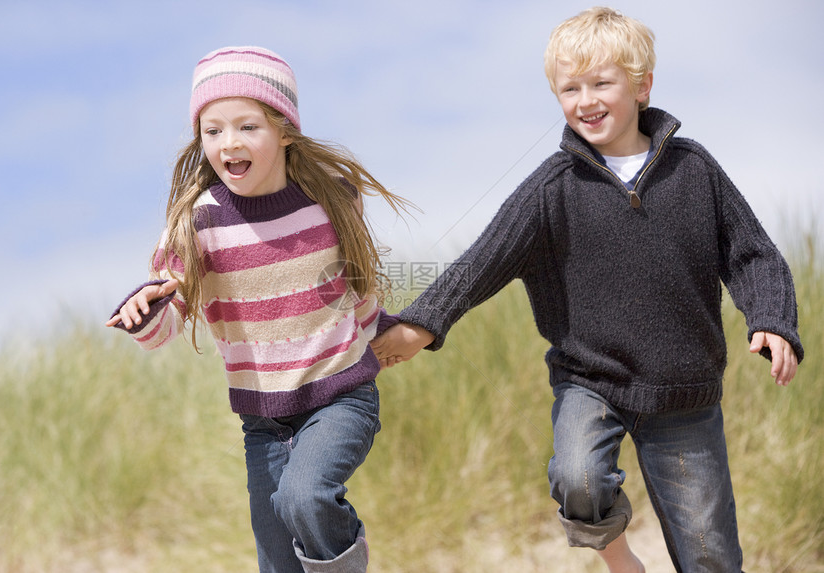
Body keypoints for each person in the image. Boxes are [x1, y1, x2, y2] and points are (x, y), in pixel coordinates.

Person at [371, 7, 803, 572]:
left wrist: (771, 317)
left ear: (642, 86)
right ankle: (620, 558)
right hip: (590, 380)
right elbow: (481, 262)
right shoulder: (552, 187)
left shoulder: (694, 170)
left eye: (601, 83)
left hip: (684, 393)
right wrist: (422, 323)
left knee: (711, 555)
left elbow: (753, 254)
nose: (585, 99)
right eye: (569, 88)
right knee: (578, 478)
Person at [106, 46, 410, 573]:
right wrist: (147, 310)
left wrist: (378, 334)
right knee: (277, 564)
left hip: (340, 396)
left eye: (248, 127)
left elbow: (354, 286)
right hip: (263, 423)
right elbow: (169, 319)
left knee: (305, 497)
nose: (229, 144)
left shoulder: (332, 200)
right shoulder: (199, 225)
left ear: (285, 130)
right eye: (213, 131)